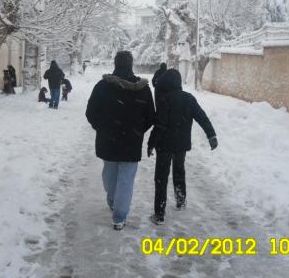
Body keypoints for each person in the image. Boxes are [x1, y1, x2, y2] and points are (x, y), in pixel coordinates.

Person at [86, 51, 155, 230]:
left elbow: (91, 112)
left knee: (109, 174)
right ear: (131, 64)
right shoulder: (143, 88)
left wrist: (102, 128)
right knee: (126, 180)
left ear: (115, 63)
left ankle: (113, 202)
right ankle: (119, 216)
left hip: (108, 141)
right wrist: (137, 131)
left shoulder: (103, 86)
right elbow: (150, 116)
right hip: (131, 142)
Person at [147, 69, 218, 225]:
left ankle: (159, 214)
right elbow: (202, 117)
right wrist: (211, 135)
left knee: (161, 178)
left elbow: (159, 126)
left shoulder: (164, 99)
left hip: (164, 146)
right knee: (179, 171)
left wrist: (151, 144)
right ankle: (181, 200)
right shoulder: (189, 99)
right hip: (181, 145)